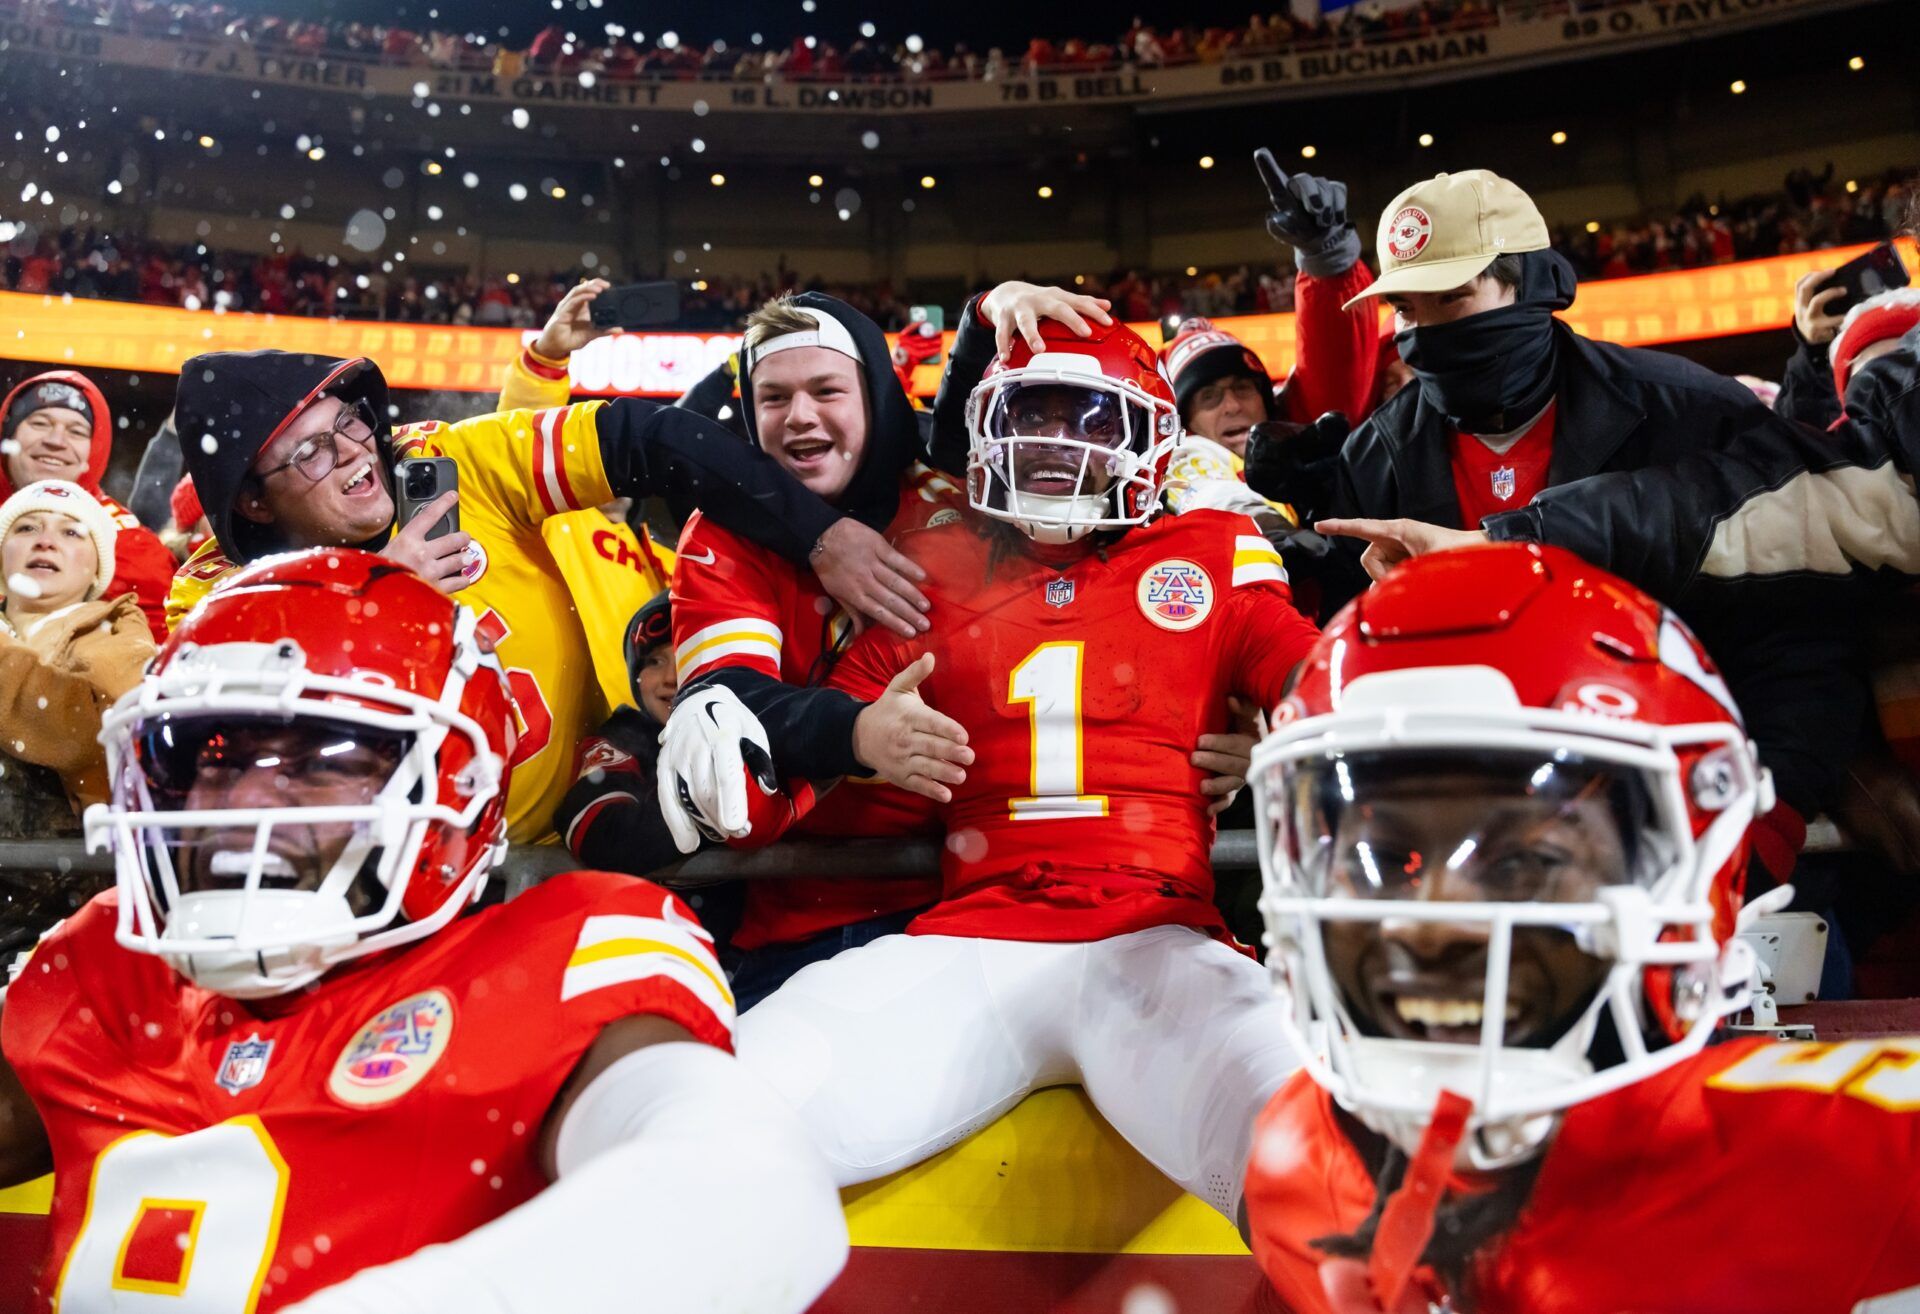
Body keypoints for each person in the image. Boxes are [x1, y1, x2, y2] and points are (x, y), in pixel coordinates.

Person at [0, 548, 847, 1312]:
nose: (243, 804)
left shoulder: (552, 952)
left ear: (449, 790)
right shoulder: (110, 962)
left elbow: (749, 1194)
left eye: (318, 761)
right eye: (208, 758)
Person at [661, 316, 1321, 1225]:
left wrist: (1276, 746)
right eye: (1032, 412)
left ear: (1150, 438)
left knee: (1321, 1162)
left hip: (1161, 939)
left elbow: (1328, 694)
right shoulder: (934, 568)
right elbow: (766, 804)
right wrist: (824, 745)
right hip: (973, 940)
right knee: (710, 1125)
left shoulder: (1210, 552)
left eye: (1088, 417)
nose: (1053, 444)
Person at [1241, 542, 1920, 1314]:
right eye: (1380, 858)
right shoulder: (1305, 1157)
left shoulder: (1860, 1158)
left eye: (1523, 864)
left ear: (1690, 861)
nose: (1431, 923)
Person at [165, 284, 928, 845]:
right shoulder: (208, 593)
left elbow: (652, 439)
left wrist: (819, 538)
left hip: (554, 846)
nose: (355, 457)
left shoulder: (451, 456)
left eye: (351, 424)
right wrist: (378, 603)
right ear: (253, 505)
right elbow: (234, 758)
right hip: (364, 889)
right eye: (308, 453)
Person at [1307, 168, 1868, 889]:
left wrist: (1774, 808)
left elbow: (1797, 633)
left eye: (1451, 297)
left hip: (1683, 826)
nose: (1426, 332)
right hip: (1466, 854)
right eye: (1407, 310)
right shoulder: (1374, 457)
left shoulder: (1694, 413)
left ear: (1535, 283)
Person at [664, 293, 959, 1010]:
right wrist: (857, 734)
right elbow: (729, 711)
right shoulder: (718, 537)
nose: (799, 417)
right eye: (774, 397)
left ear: (879, 399)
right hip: (797, 926)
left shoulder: (958, 500)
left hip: (974, 909)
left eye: (826, 391)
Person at [0, 479, 155, 815]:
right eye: (27, 528)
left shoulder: (116, 628)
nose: (45, 542)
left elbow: (104, 736)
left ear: (97, 569)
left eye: (71, 533)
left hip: (58, 861)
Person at [1, 370, 174, 639]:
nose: (56, 441)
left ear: (94, 449)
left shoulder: (130, 547)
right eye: (40, 423)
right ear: (7, 435)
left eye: (76, 431)